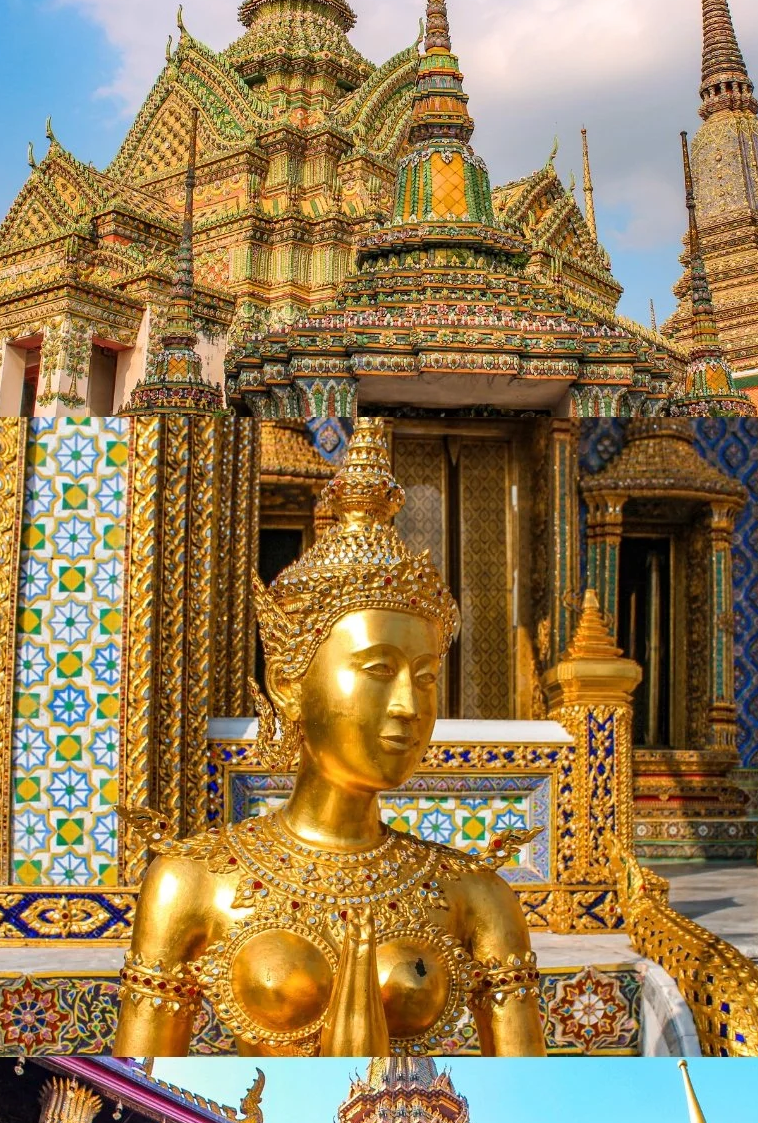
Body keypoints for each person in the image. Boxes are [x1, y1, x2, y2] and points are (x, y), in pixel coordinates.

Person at [113, 410, 544, 1060]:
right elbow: (141, 1073)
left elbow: (520, 1082)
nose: (408, 706)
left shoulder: (476, 895)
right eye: (378, 671)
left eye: (425, 678)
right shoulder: (191, 880)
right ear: (290, 683)